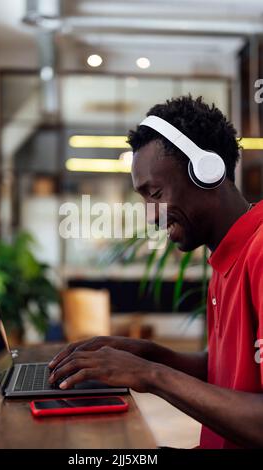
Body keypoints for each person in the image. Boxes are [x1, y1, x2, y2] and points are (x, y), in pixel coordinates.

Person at [48, 96, 263, 449]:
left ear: (206, 172)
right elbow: (226, 373)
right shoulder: (227, 255)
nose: (151, 216)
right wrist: (145, 353)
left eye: (156, 193)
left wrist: (150, 374)